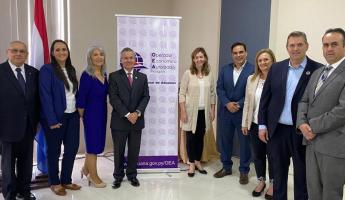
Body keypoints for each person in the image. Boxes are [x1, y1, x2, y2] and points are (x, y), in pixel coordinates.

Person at [258, 31, 322, 200]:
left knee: (302, 174)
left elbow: (321, 104)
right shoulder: (276, 68)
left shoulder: (318, 70)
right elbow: (265, 98)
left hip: (302, 132)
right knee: (278, 173)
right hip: (277, 130)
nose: (295, 49)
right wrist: (262, 125)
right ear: (287, 48)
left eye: (299, 44)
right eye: (292, 45)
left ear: (307, 46)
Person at [297, 28, 345, 200]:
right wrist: (301, 124)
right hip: (311, 143)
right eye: (326, 45)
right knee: (313, 191)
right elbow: (304, 100)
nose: (329, 49)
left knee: (331, 194)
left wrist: (312, 126)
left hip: (334, 145)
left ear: (344, 47)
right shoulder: (317, 72)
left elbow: (342, 111)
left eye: (334, 44)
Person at [39, 39, 81, 196]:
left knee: (71, 149)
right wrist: (52, 120)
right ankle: (54, 182)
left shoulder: (71, 69)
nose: (61, 52)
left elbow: (74, 94)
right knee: (54, 151)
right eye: (57, 50)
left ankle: (66, 180)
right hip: (56, 118)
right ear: (52, 53)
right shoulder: (47, 70)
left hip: (72, 116)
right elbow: (45, 96)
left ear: (68, 52)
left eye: (64, 49)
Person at [0, 41, 40, 200]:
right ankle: (9, 194)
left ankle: (24, 191)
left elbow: (37, 100)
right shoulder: (0, 71)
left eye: (22, 51)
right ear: (7, 52)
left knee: (26, 162)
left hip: (28, 127)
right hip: (6, 127)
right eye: (14, 51)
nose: (18, 54)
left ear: (27, 54)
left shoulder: (33, 72)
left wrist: (36, 122)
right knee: (8, 165)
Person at [109, 47, 150, 189]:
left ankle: (132, 175)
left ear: (135, 60)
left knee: (134, 150)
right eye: (125, 58)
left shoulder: (142, 77)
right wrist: (127, 114)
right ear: (121, 60)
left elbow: (146, 97)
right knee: (119, 151)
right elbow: (113, 98)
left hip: (137, 121)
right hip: (120, 121)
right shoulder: (114, 76)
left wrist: (137, 113)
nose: (128, 60)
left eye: (131, 57)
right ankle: (118, 177)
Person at [215, 42, 254, 184]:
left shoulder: (252, 69)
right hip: (226, 112)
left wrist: (238, 104)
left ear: (246, 53)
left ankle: (244, 171)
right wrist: (227, 103)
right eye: (235, 53)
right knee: (225, 141)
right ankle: (226, 167)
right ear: (232, 54)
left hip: (243, 112)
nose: (238, 55)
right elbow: (219, 88)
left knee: (245, 143)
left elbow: (252, 91)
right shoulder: (225, 69)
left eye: (241, 52)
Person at [242, 49, 275, 199]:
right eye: (260, 60)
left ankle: (273, 183)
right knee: (258, 155)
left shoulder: (278, 78)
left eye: (266, 59)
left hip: (272, 127)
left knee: (273, 156)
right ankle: (261, 180)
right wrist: (245, 123)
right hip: (254, 124)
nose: (263, 63)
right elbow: (248, 102)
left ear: (272, 60)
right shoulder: (251, 79)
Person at [179, 47, 216, 177]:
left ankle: (198, 161)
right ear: (193, 59)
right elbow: (182, 93)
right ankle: (191, 164)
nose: (199, 59)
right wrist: (183, 111)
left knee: (200, 138)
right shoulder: (188, 73)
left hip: (204, 112)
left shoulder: (209, 74)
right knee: (191, 139)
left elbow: (212, 94)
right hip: (190, 112)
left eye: (201, 56)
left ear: (205, 58)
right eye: (196, 57)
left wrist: (213, 109)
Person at [77, 46, 108, 188]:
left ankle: (85, 169)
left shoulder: (104, 75)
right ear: (90, 58)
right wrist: (84, 117)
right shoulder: (86, 75)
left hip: (102, 113)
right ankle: (93, 176)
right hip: (90, 114)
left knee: (96, 143)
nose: (99, 57)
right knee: (93, 146)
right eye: (95, 54)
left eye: (101, 54)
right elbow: (81, 98)